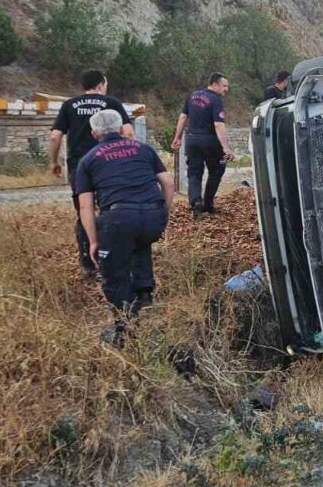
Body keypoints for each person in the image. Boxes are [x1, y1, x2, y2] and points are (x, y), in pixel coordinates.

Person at [74, 109, 174, 338]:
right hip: (153, 216)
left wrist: (92, 241)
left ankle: (124, 326)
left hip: (119, 219)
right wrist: (163, 213)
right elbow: (168, 182)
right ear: (121, 129)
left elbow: (86, 207)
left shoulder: (89, 160)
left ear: (94, 133)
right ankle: (145, 294)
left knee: (113, 273)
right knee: (139, 241)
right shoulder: (143, 149)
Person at [50, 69, 134, 276]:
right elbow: (129, 133)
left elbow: (55, 136)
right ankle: (114, 258)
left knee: (84, 213)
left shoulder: (69, 105)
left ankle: (88, 263)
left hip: (79, 167)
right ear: (100, 85)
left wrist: (54, 161)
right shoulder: (112, 103)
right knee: (112, 210)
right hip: (110, 165)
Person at [171, 73, 236, 217]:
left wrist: (178, 137)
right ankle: (208, 204)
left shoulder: (192, 96)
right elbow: (218, 125)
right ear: (215, 84)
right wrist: (226, 148)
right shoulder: (215, 99)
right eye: (224, 85)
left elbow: (183, 117)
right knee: (218, 168)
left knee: (194, 173)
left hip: (192, 140)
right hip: (210, 142)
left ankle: (195, 203)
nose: (226, 89)